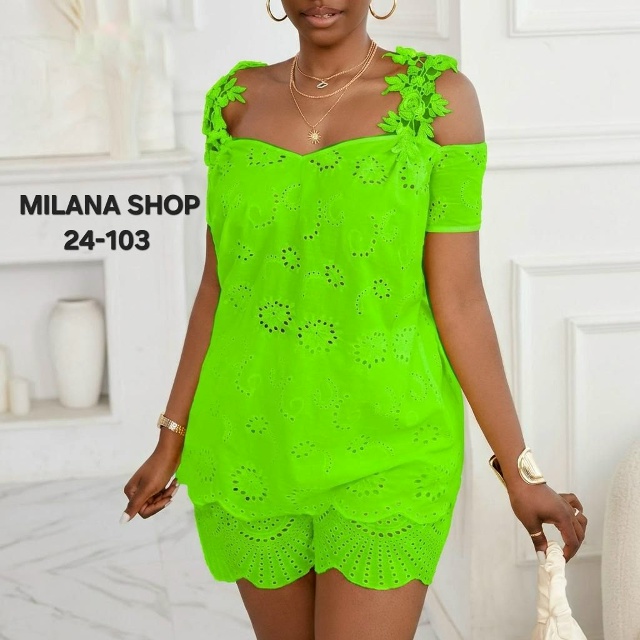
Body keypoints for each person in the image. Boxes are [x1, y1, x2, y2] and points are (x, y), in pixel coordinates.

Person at [121, 2, 589, 639]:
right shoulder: (234, 102)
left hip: (392, 443)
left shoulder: (438, 102)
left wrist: (521, 471)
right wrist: (171, 437)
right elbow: (218, 286)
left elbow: (460, 298)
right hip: (251, 439)